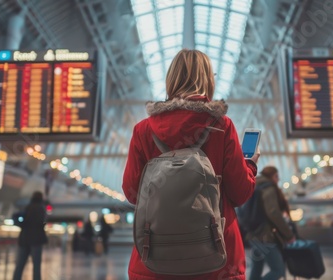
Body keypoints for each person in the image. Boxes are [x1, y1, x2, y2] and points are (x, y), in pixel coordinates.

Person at [122, 49, 259, 279]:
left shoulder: (143, 130)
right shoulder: (222, 127)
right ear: (208, 79)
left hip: (154, 258)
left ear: (171, 80)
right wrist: (251, 167)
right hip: (216, 259)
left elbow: (132, 193)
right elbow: (240, 192)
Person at [246, 166, 295, 280]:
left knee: (256, 269)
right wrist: (289, 235)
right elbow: (273, 213)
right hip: (265, 236)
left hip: (253, 234)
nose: (278, 180)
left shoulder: (254, 185)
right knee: (278, 270)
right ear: (272, 176)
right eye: (276, 176)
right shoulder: (268, 188)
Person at [13, 191, 48, 280]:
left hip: (24, 238)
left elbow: (16, 216)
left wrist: (20, 224)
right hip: (36, 239)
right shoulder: (41, 208)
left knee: (20, 265)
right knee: (36, 265)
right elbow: (42, 222)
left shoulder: (27, 207)